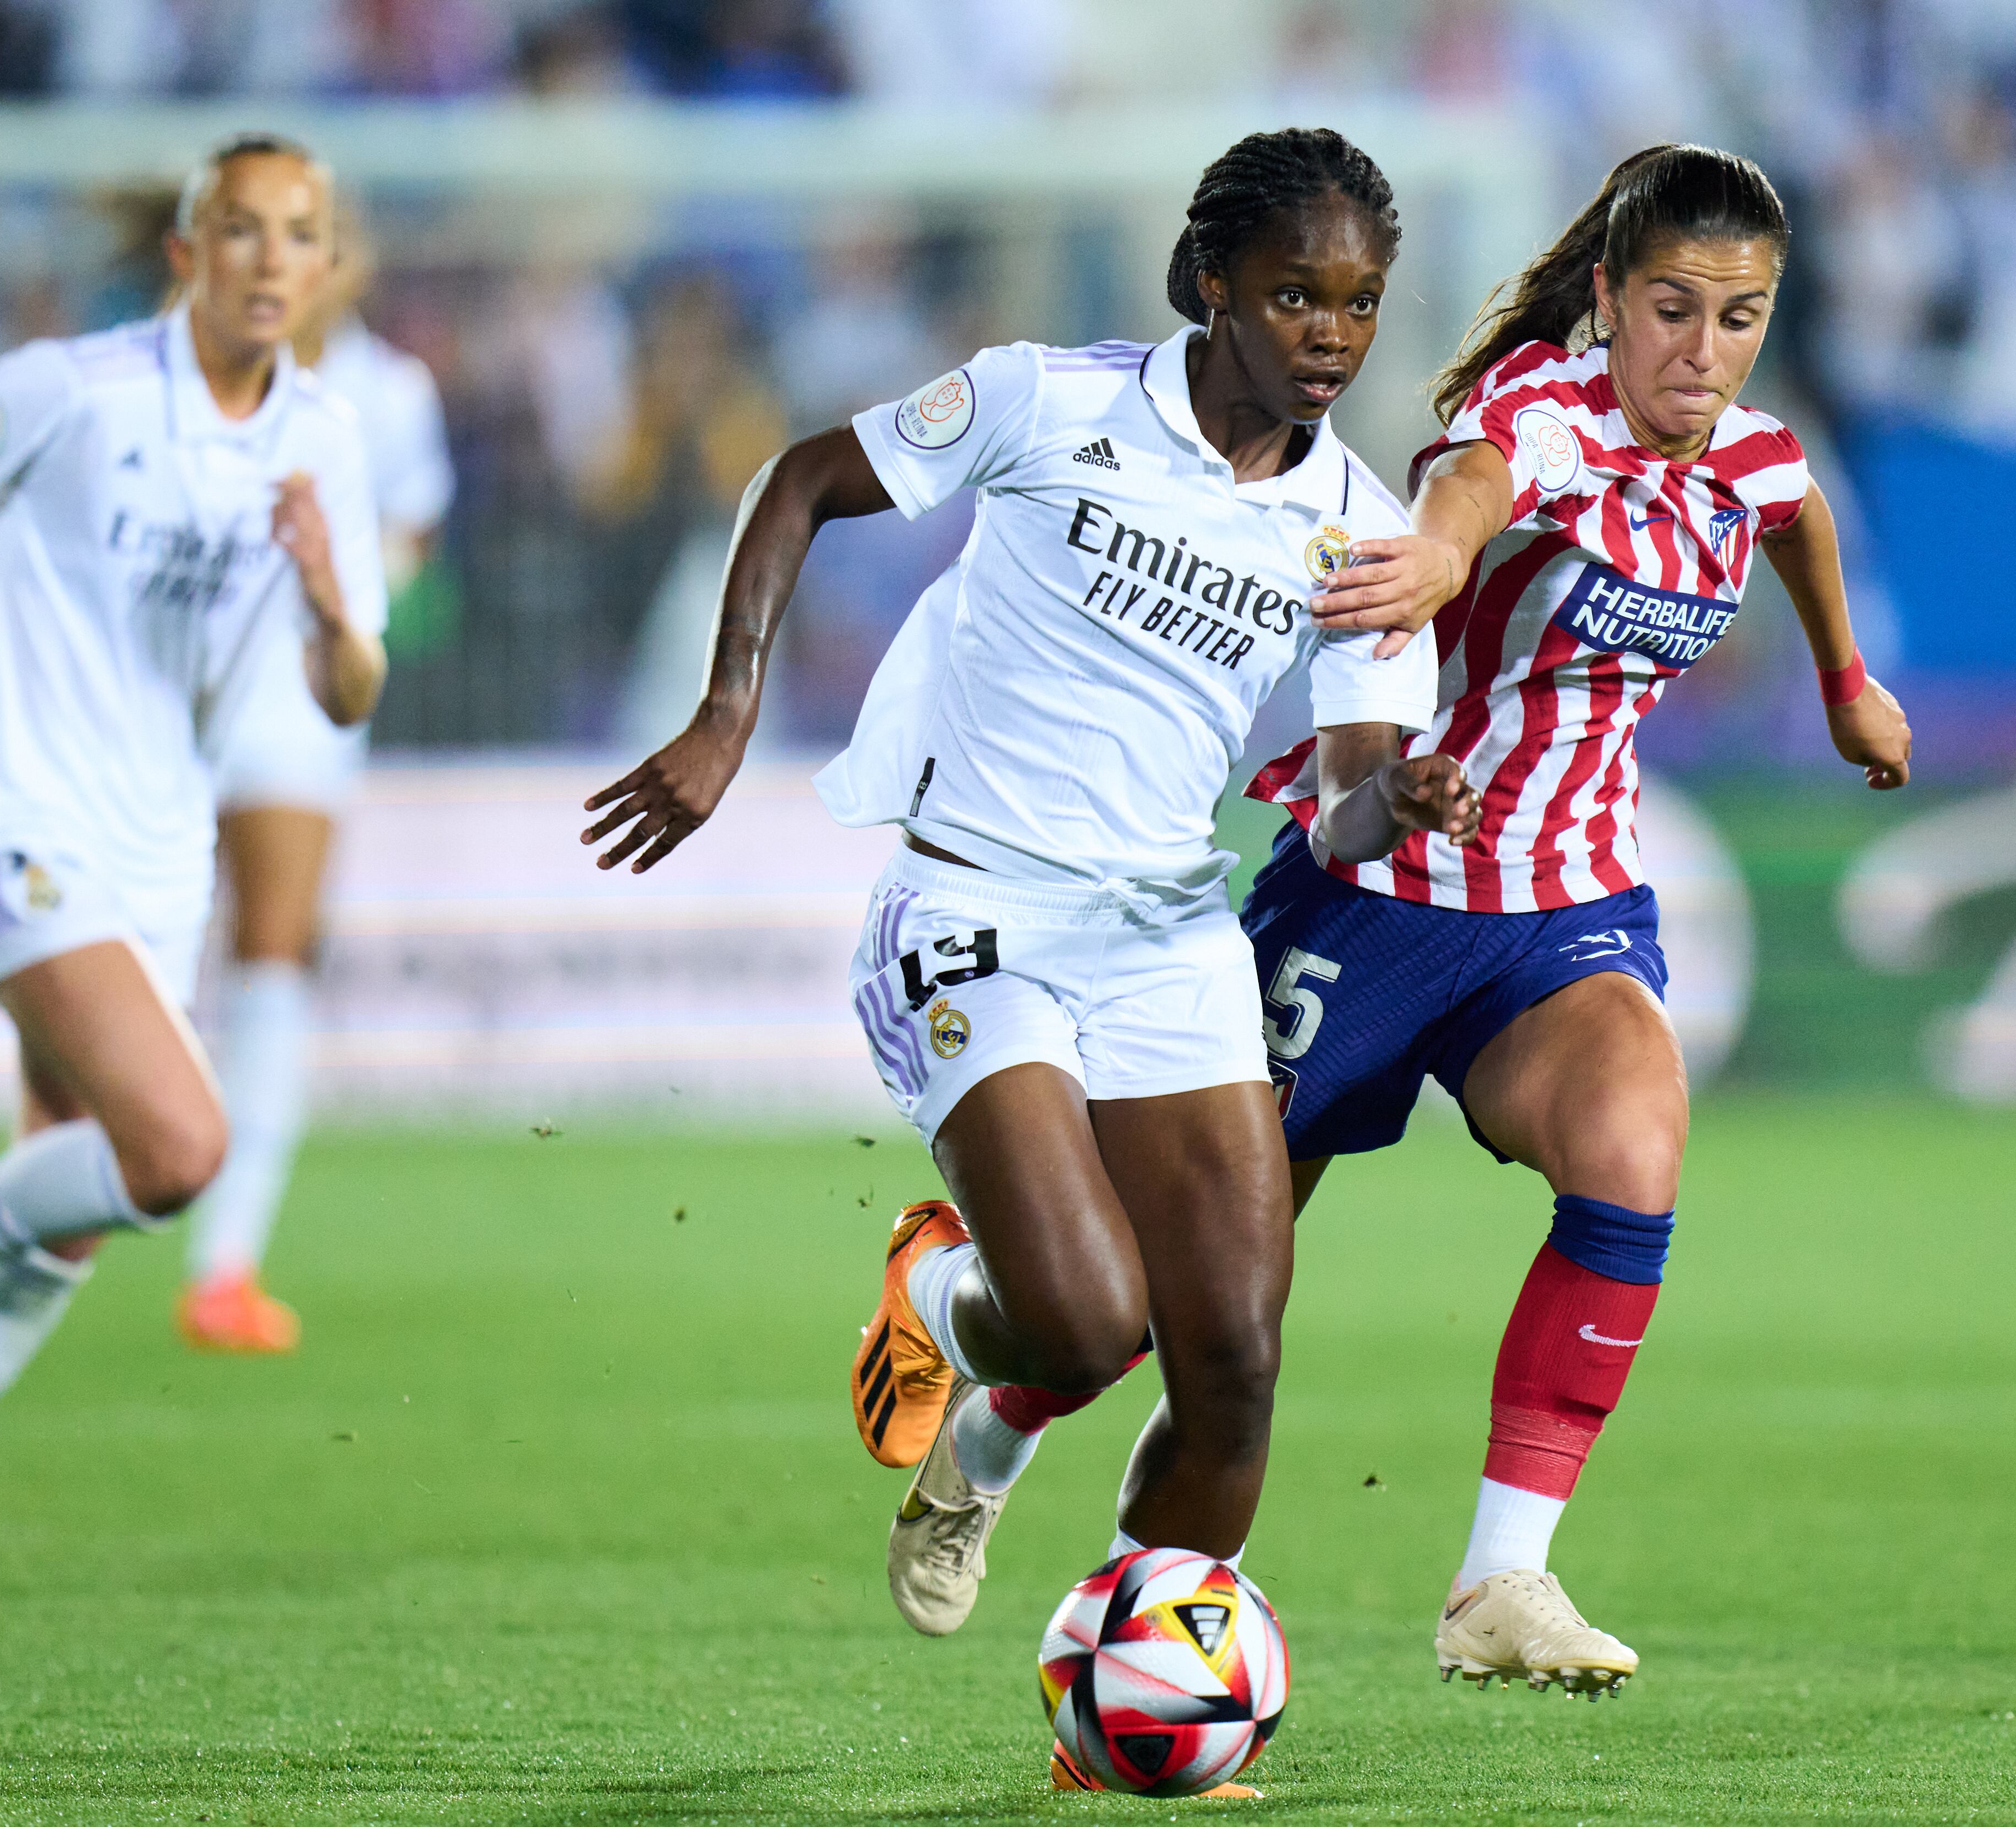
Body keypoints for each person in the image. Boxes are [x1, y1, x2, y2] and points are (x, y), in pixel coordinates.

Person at [889, 144, 1914, 1696]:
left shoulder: (1755, 457)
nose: (1702, 353)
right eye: (1671, 310)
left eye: (1740, 318)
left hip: (1564, 912)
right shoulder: (1538, 421)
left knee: (1636, 1148)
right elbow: (1467, 489)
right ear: (1605, 300)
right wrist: (1438, 553)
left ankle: (1502, 1573)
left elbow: (1799, 521)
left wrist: (1845, 681)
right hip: (1373, 895)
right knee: (1190, 1312)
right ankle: (987, 1414)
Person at [581, 128, 1469, 1792]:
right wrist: (725, 710)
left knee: (1234, 1356)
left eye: (1358, 301)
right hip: (974, 901)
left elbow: (1343, 803)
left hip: (1166, 931)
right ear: (1208, 283)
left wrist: (1391, 801)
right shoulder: (1045, 400)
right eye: (1295, 293)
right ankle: (944, 1297)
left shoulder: (1368, 534)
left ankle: (1114, 1714)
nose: (1332, 332)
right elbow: (800, 480)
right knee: (1080, 1311)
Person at [0, 133, 386, 1615]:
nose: (265, 258)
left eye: (294, 234)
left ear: (320, 271)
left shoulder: (326, 440)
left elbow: (352, 687)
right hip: (0, 800)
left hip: (155, 843)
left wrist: (323, 597)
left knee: (70, 1203)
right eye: (236, 230)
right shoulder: (78, 388)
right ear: (187, 255)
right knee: (179, 1148)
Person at [180, 199, 455, 1352]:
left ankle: (224, 1262)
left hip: (296, 700)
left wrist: (344, 591)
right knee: (141, 956)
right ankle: (58, 1205)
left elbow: (413, 542)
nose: (304, 266)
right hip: (165, 697)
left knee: (272, 958)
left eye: (326, 245)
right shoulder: (188, 369)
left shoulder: (388, 393)